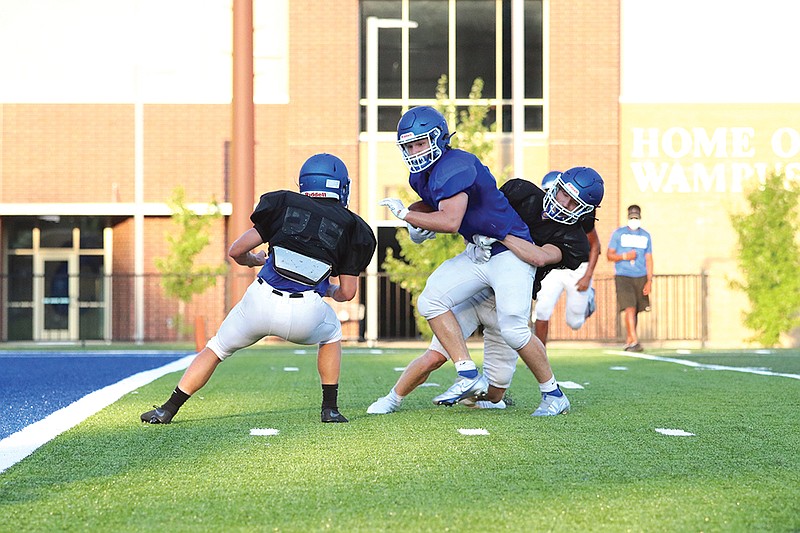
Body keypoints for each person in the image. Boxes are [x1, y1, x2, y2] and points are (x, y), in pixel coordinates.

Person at [141, 153, 376, 424]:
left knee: (216, 348)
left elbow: (236, 250)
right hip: (305, 313)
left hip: (259, 302)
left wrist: (254, 260)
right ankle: (330, 409)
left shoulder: (282, 204)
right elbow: (347, 293)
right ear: (340, 186)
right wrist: (327, 290)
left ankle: (168, 409)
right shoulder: (355, 227)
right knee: (332, 332)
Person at [370, 167, 603, 416]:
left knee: (494, 395)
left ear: (584, 211)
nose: (562, 202)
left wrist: (499, 234)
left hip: (509, 300)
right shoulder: (522, 192)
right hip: (477, 290)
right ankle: (392, 398)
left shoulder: (575, 240)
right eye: (562, 193)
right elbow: (480, 216)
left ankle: (536, 393)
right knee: (435, 355)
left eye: (572, 202)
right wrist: (463, 234)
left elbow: (539, 256)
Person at [380, 105, 540, 410]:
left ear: (439, 138)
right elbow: (432, 206)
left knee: (514, 335)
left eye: (420, 143)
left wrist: (406, 215)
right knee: (430, 300)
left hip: (507, 255)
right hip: (479, 255)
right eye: (409, 145)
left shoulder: (457, 165)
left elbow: (450, 221)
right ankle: (466, 372)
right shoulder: (422, 175)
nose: (414, 151)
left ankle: (553, 394)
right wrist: (414, 218)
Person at [533, 170, 601, 345]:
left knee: (575, 322)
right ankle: (540, 353)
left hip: (578, 268)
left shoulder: (583, 216)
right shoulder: (534, 207)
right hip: (553, 267)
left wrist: (588, 276)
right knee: (542, 310)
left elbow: (595, 245)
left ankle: (589, 301)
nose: (559, 202)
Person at [606, 204, 653, 352]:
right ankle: (634, 341)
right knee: (629, 308)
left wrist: (649, 280)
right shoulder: (618, 234)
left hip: (641, 275)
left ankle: (629, 339)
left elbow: (649, 258)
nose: (634, 220)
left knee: (636, 310)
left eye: (636, 218)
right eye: (632, 218)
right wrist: (625, 256)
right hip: (623, 275)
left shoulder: (645, 235)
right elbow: (609, 255)